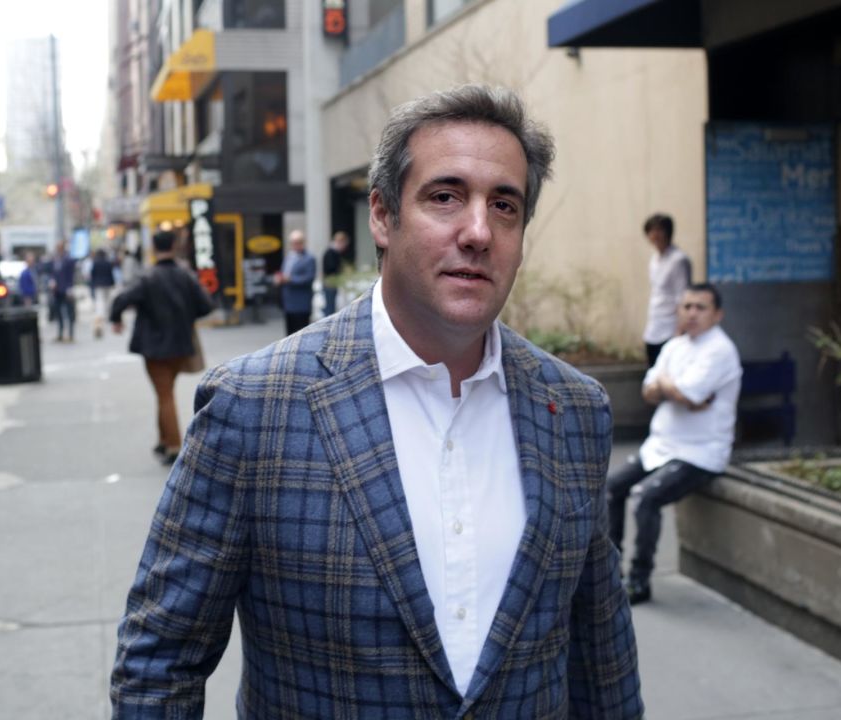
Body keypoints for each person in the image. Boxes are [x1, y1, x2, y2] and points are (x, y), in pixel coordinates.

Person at [112, 85, 643, 717]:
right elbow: (159, 662)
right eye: (445, 197)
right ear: (383, 218)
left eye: (505, 206)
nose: (478, 231)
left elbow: (600, 652)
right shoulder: (254, 407)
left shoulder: (575, 411)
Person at [607, 283, 741, 605]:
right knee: (611, 488)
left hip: (700, 453)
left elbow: (683, 394)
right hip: (660, 447)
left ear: (717, 314)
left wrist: (669, 387)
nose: (692, 313)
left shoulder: (720, 350)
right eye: (687, 306)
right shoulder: (674, 347)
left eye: (701, 307)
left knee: (644, 496)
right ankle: (611, 574)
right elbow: (650, 392)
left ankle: (639, 582)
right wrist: (676, 391)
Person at [109, 230, 213, 466]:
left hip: (153, 348)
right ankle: (163, 440)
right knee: (165, 392)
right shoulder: (185, 275)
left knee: (164, 395)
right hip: (181, 345)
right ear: (175, 245)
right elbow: (206, 305)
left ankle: (175, 446)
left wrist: (116, 318)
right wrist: (187, 315)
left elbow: (121, 299)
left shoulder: (148, 276)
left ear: (154, 247)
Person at [641, 213, 691, 367]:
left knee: (669, 372)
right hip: (654, 324)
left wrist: (679, 331)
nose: (655, 235)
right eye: (651, 231)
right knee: (653, 371)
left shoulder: (678, 260)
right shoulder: (654, 259)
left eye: (659, 230)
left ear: (668, 232)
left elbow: (682, 297)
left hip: (671, 328)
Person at [274, 229, 316, 335]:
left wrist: (290, 279)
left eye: (297, 243)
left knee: (302, 333)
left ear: (302, 243)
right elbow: (284, 272)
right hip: (288, 302)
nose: (294, 245)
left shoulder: (309, 258)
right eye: (293, 243)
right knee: (289, 334)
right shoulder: (289, 257)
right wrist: (279, 279)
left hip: (301, 303)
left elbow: (309, 278)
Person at [47, 241, 77, 342]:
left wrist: (70, 288)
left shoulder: (68, 260)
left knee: (70, 313)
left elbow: (71, 275)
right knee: (58, 313)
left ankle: (71, 334)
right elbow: (52, 273)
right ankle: (60, 334)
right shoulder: (55, 260)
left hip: (66, 289)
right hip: (57, 290)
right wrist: (52, 281)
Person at [321, 230, 352, 316]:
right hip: (330, 284)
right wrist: (342, 269)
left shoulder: (333, 252)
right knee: (330, 309)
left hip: (331, 283)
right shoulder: (331, 253)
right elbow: (331, 268)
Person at [89, 247, 117, 338]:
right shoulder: (108, 262)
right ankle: (106, 315)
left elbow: (92, 274)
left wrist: (92, 284)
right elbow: (111, 273)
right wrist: (113, 283)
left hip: (98, 284)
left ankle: (100, 315)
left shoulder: (95, 262)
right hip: (107, 284)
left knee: (100, 300)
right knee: (107, 300)